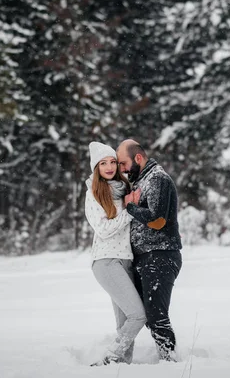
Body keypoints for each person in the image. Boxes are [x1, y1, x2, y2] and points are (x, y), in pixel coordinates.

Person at [116, 139, 183, 362]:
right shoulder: (140, 181)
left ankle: (170, 361)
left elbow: (158, 221)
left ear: (138, 158)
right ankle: (165, 358)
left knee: (156, 316)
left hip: (160, 255)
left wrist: (131, 207)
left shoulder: (157, 178)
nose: (121, 169)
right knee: (143, 314)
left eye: (123, 163)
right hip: (145, 257)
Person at [84, 141, 147, 366]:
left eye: (112, 162)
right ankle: (110, 358)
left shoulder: (124, 188)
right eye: (103, 163)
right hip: (106, 261)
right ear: (96, 168)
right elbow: (104, 229)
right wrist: (130, 210)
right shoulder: (94, 194)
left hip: (126, 261)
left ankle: (122, 368)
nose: (110, 167)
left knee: (124, 324)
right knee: (138, 315)